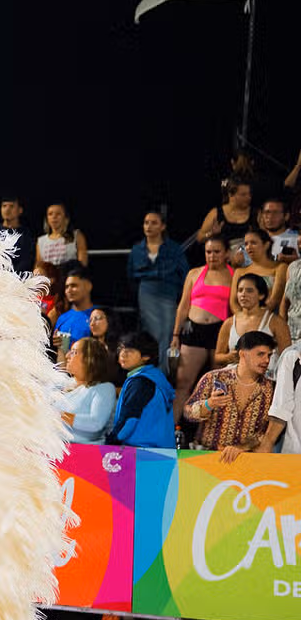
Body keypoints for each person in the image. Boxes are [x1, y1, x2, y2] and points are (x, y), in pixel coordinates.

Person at [171, 236, 234, 433]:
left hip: (220, 331)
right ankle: (171, 429)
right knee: (183, 383)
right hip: (193, 330)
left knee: (217, 387)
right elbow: (183, 306)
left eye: (217, 251)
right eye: (208, 252)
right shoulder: (194, 273)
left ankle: (207, 434)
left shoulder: (235, 274)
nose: (212, 256)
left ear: (225, 253)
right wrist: (175, 334)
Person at [184, 331, 276, 461]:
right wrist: (208, 404)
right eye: (260, 354)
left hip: (246, 461)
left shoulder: (270, 388)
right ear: (242, 354)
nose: (266, 360)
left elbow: (267, 432)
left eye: (269, 355)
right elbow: (187, 413)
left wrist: (241, 447)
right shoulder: (214, 378)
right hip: (207, 458)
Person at [127, 209, 187, 357]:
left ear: (162, 226)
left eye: (154, 223)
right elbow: (130, 276)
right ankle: (153, 367)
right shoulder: (137, 250)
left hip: (168, 292)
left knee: (167, 331)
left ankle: (163, 371)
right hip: (146, 291)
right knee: (150, 331)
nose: (149, 226)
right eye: (146, 223)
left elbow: (184, 273)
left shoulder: (174, 248)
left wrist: (178, 295)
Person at [107, 332, 175, 448]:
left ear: (146, 356)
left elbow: (129, 420)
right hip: (161, 451)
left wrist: (111, 441)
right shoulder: (155, 377)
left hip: (141, 451)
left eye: (130, 351)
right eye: (121, 349)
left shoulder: (140, 382)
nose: (123, 354)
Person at [215, 273, 289, 367]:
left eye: (249, 291)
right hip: (234, 375)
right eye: (240, 290)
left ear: (261, 295)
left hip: (266, 376)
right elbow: (217, 357)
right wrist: (230, 357)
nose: (243, 294)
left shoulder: (275, 322)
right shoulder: (229, 323)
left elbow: (287, 356)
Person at [58, 338, 121, 444]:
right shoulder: (61, 384)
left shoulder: (104, 388)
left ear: (90, 358)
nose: (67, 356)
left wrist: (59, 415)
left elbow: (95, 423)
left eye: (74, 352)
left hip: (86, 454)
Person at [198, 177, 256, 263]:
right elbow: (200, 237)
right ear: (231, 195)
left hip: (249, 260)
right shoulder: (216, 213)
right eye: (243, 195)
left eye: (249, 194)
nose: (248, 197)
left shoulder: (255, 213)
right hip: (224, 261)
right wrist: (211, 234)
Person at [52, 271, 96, 361]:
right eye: (66, 287)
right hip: (64, 370)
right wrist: (55, 343)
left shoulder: (99, 315)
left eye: (74, 286)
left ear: (88, 286)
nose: (69, 290)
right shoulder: (62, 318)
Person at [36, 203, 88, 275]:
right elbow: (39, 266)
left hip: (69, 278)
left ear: (66, 218)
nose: (54, 217)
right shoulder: (41, 241)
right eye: (50, 214)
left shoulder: (76, 235)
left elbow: (82, 262)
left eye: (58, 214)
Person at [0, 196, 36, 275]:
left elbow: (26, 260)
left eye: (11, 206)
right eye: (4, 206)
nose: (7, 209)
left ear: (20, 210)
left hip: (16, 279)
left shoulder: (26, 235)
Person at [259, 197, 299, 264]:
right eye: (267, 212)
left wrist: (296, 261)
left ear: (286, 216)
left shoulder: (296, 239)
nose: (270, 216)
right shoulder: (254, 239)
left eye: (276, 212)